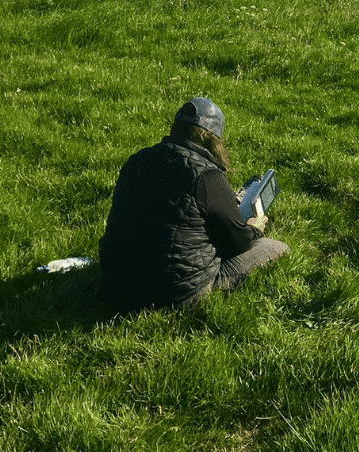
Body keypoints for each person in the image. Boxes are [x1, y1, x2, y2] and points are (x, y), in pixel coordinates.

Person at [99, 97, 289, 312]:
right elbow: (239, 242)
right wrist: (254, 229)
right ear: (213, 140)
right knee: (276, 247)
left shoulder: (137, 160)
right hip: (173, 293)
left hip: (115, 284)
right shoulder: (207, 175)